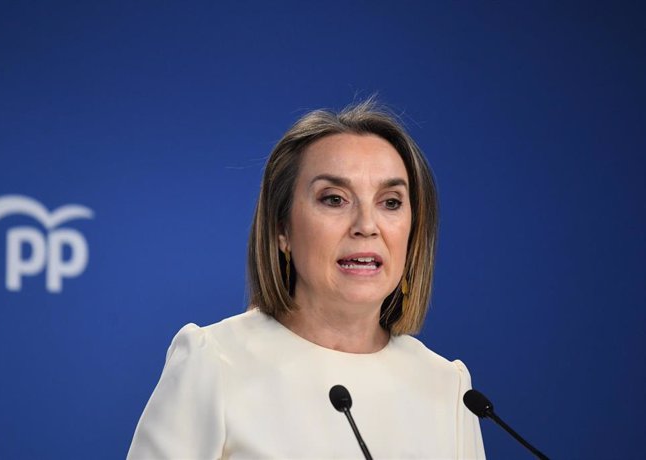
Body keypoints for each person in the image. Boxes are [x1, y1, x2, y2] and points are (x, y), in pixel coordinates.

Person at [127, 100, 485, 459]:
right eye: (334, 199)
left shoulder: (448, 388)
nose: (366, 226)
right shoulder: (214, 364)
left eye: (390, 202)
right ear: (282, 228)